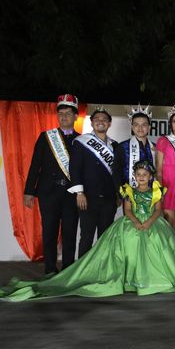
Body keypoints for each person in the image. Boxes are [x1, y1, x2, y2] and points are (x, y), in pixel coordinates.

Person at [0, 160, 175, 301]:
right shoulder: (129, 191)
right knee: (130, 244)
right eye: (138, 175)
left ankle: (152, 280)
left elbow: (158, 210)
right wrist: (134, 222)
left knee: (158, 247)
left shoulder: (156, 191)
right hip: (132, 223)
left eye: (144, 175)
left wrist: (148, 223)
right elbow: (128, 210)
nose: (141, 178)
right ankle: (129, 280)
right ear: (135, 176)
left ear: (150, 177)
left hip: (152, 223)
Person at [23, 94, 81, 275]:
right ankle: (49, 268)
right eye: (61, 113)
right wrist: (29, 191)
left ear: (75, 117)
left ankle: (68, 268)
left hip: (71, 195)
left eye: (68, 113)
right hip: (49, 193)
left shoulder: (82, 140)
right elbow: (35, 165)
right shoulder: (46, 137)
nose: (64, 117)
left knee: (70, 232)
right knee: (49, 232)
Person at [69, 107, 118, 257]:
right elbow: (75, 169)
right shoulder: (81, 142)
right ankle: (82, 272)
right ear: (92, 123)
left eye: (104, 119)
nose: (100, 122)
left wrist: (117, 194)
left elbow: (117, 173)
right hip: (87, 197)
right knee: (87, 237)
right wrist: (79, 193)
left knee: (105, 238)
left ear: (109, 124)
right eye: (97, 119)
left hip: (109, 199)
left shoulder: (115, 146)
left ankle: (102, 270)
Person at [112, 104, 155, 189]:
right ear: (132, 127)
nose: (140, 128)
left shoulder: (156, 148)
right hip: (129, 196)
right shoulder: (122, 147)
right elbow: (116, 173)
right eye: (136, 125)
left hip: (152, 195)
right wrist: (122, 195)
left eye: (144, 125)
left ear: (149, 127)